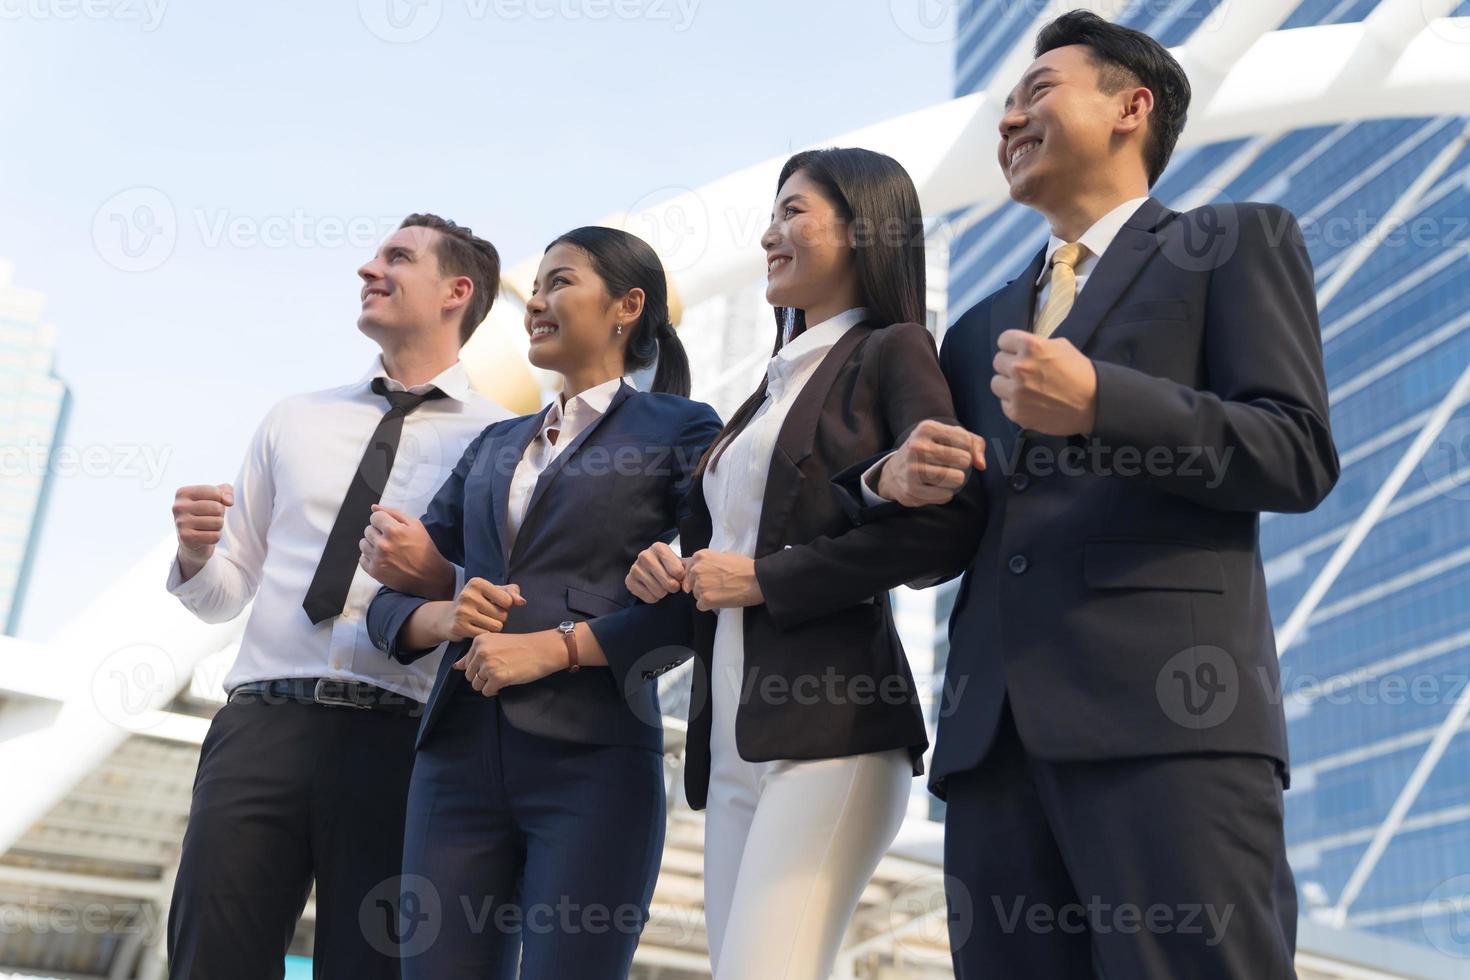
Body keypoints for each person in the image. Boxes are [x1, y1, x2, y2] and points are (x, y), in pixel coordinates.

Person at [859, 12, 1340, 977]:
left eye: (1037, 92)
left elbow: (1295, 455)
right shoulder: (981, 324)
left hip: (1172, 726)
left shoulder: (1234, 243)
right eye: (1003, 107)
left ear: (1133, 107)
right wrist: (889, 482)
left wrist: (1103, 402)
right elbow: (964, 530)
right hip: (993, 747)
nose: (1008, 121)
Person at [597, 147, 985, 979]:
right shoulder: (766, 391)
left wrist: (765, 579)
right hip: (734, 734)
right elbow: (732, 543)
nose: (770, 232)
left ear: (864, 230)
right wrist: (674, 567)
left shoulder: (893, 349)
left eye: (795, 211)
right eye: (772, 213)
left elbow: (944, 529)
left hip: (833, 728)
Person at [365, 226, 722, 979]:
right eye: (535, 287)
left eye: (560, 282)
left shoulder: (682, 430)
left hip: (591, 762)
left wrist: (555, 646)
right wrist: (446, 613)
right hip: (456, 761)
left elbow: (696, 602)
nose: (536, 301)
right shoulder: (496, 445)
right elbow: (389, 602)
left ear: (627, 306)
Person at [165, 214, 512, 978]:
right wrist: (195, 553)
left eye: (396, 257)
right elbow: (229, 594)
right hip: (261, 728)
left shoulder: (503, 441)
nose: (368, 269)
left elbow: (506, 603)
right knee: (210, 960)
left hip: (406, 743)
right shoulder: (296, 419)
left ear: (458, 291)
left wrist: (438, 578)